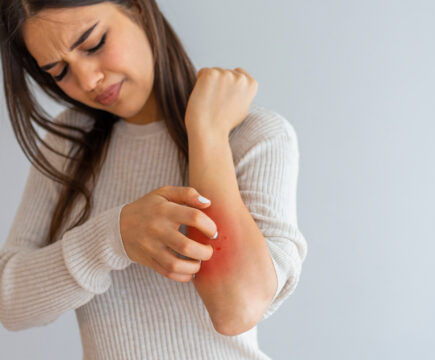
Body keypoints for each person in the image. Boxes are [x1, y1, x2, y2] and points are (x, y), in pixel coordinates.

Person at [0, 0, 308, 359]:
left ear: (137, 8)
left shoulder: (252, 136)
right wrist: (114, 237)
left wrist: (206, 134)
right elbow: (10, 303)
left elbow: (236, 309)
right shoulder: (68, 145)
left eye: (94, 43)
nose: (87, 80)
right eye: (59, 71)